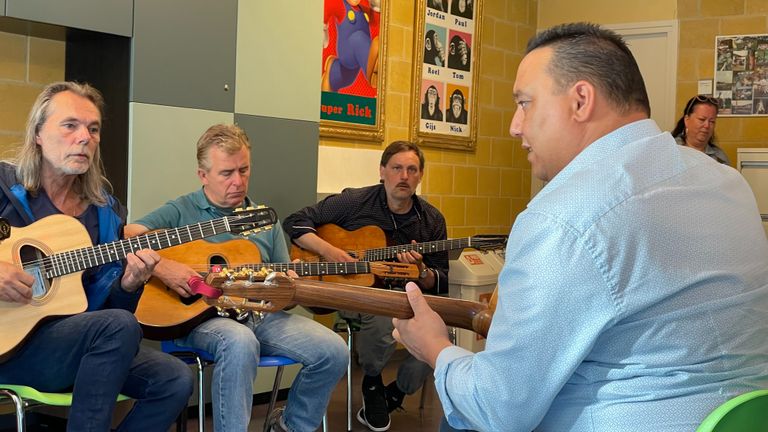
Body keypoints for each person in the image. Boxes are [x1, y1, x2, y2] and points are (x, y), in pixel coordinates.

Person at [393, 22, 768, 432]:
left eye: (526, 103)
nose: (515, 126)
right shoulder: (727, 182)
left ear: (581, 100)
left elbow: (499, 407)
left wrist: (435, 347)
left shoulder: (563, 217)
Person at [124, 124, 348, 432]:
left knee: (335, 350)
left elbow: (283, 293)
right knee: (240, 341)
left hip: (258, 316)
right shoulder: (182, 210)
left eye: (244, 170)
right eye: (226, 173)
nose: (238, 181)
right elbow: (129, 236)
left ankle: (289, 427)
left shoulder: (263, 219)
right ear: (203, 175)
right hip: (199, 317)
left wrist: (287, 288)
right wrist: (165, 267)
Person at [0, 81, 193, 431]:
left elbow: (110, 316)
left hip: (73, 346)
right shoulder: (3, 186)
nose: (84, 137)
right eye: (70, 125)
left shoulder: (104, 212)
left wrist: (130, 284)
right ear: (39, 133)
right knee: (118, 327)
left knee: (174, 378)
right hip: (10, 349)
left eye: (93, 128)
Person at [283, 140, 448, 432]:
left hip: (409, 297)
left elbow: (440, 278)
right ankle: (372, 381)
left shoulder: (432, 220)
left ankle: (394, 392)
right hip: (357, 295)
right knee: (383, 313)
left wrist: (422, 271)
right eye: (397, 168)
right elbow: (295, 222)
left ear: (420, 176)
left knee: (441, 330)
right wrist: (330, 252)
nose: (404, 176)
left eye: (412, 169)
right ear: (383, 171)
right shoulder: (356, 202)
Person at [671, 95, 730, 164]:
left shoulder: (720, 158)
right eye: (702, 119)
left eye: (712, 121)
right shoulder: (671, 149)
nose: (707, 125)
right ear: (687, 120)